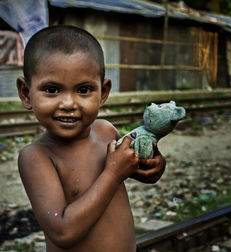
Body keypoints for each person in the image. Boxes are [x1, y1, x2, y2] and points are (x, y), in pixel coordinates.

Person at [16, 25, 166, 252]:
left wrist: (155, 166)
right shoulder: (37, 157)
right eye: (52, 90)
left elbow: (137, 171)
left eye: (84, 90)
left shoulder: (106, 132)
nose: (68, 104)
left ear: (103, 93)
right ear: (26, 93)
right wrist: (113, 174)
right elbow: (62, 232)